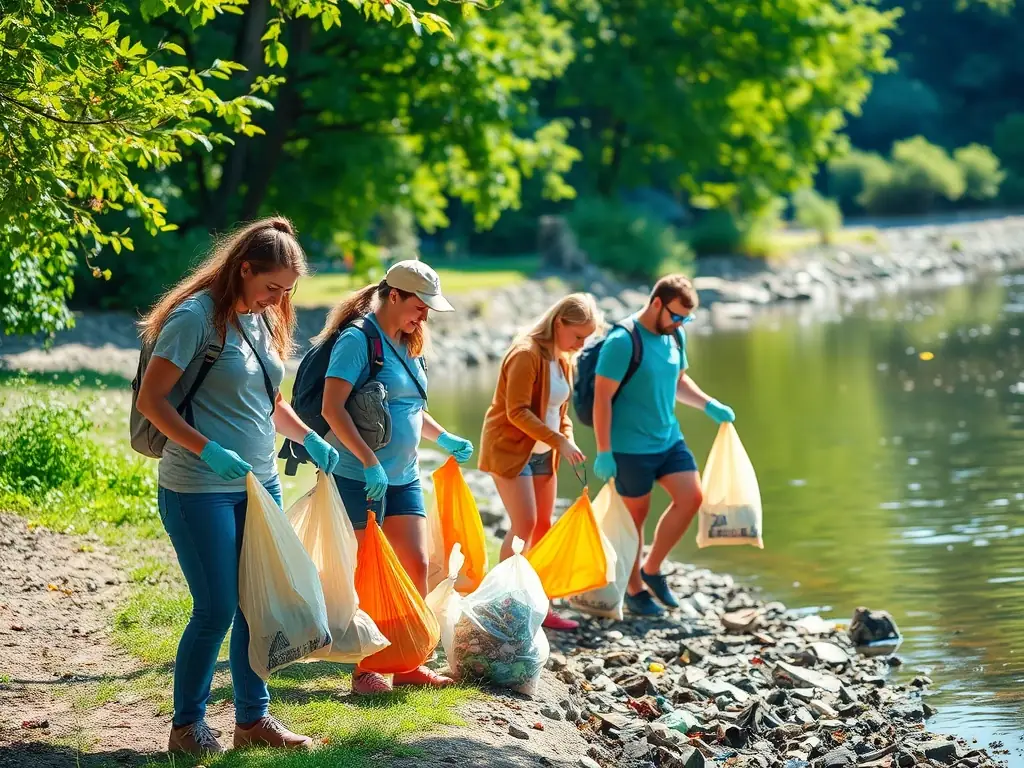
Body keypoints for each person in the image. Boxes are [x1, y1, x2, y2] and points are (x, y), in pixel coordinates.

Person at [135, 217, 340, 755]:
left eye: (288, 291)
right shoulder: (193, 318)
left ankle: (253, 721)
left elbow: (270, 402)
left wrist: (308, 436)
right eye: (272, 286)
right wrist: (206, 448)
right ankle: (187, 726)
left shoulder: (261, 318)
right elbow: (151, 402)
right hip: (197, 485)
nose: (279, 299)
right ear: (244, 269)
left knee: (258, 604)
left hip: (260, 484)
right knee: (217, 608)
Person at [317, 260, 475, 695]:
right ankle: (366, 667)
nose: (424, 315)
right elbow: (333, 408)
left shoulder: (410, 342)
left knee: (416, 565)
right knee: (372, 572)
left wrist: (445, 438)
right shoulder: (357, 341)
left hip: (403, 476)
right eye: (420, 306)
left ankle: (408, 662)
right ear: (395, 295)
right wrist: (368, 460)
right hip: (359, 475)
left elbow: (410, 409)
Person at [591, 275, 735, 617]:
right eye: (677, 316)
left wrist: (708, 404)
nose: (681, 323)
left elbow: (678, 381)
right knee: (635, 520)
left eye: (687, 319)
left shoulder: (675, 336)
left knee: (692, 498)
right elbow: (601, 399)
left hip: (669, 439)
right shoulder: (622, 341)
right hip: (630, 447)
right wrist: (604, 450)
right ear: (657, 303)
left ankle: (651, 569)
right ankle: (634, 589)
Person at [478, 294, 602, 631]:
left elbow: (558, 413)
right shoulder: (525, 354)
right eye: (578, 336)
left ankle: (539, 604)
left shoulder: (563, 359)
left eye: (587, 338)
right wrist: (558, 440)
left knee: (544, 527)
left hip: (543, 452)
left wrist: (568, 438)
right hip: (511, 449)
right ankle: (506, 602)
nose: (582, 344)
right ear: (559, 323)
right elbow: (517, 412)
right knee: (525, 524)